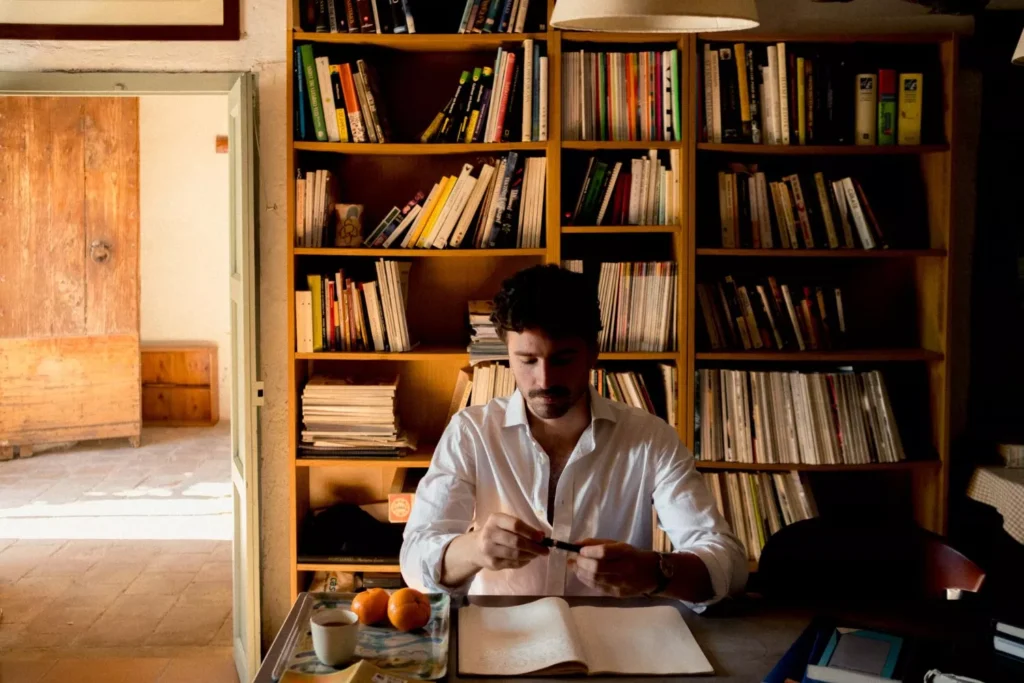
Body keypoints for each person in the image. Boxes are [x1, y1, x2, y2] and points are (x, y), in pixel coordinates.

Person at [400, 265, 747, 607]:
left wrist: (656, 573)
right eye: (528, 360)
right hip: (498, 646)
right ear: (507, 353)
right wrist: (474, 550)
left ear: (593, 353)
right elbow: (413, 563)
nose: (545, 380)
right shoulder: (471, 433)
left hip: (615, 649)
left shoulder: (651, 438)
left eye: (563, 359)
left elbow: (728, 566)